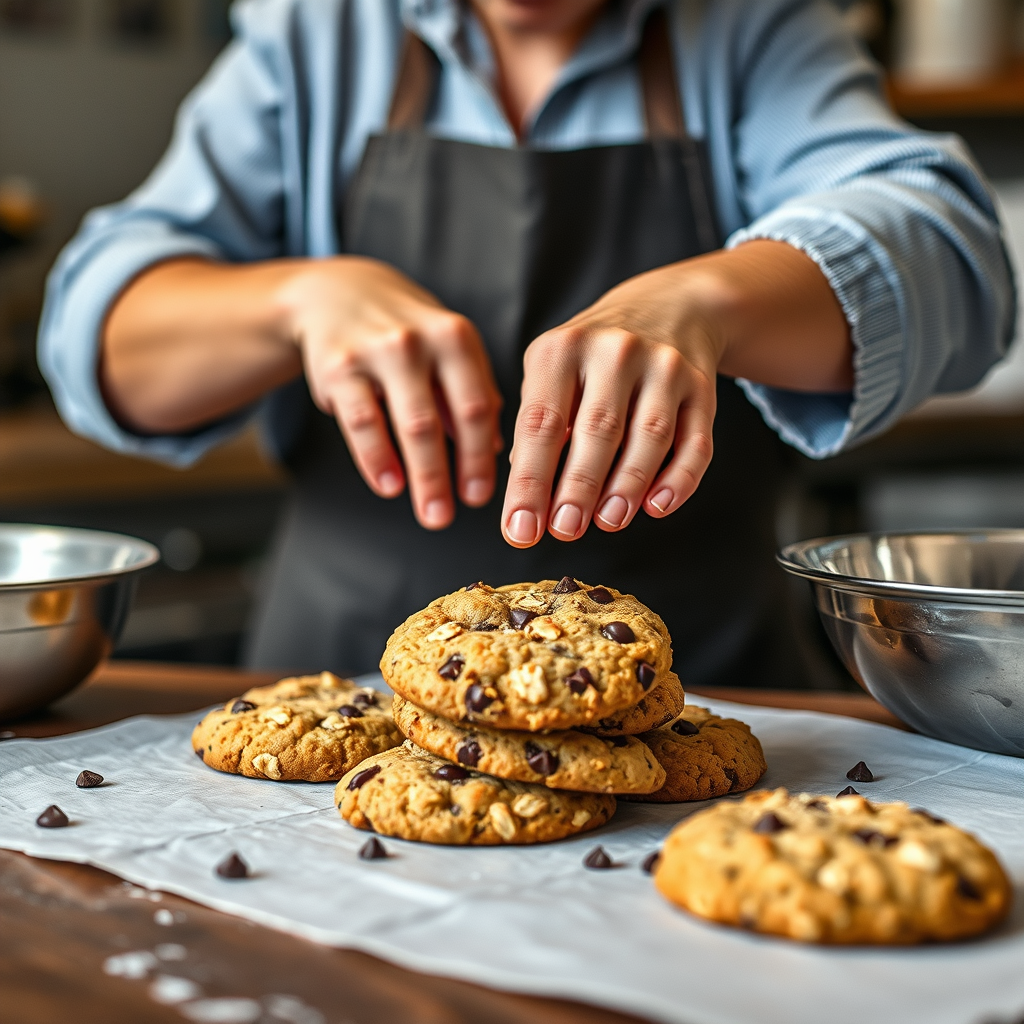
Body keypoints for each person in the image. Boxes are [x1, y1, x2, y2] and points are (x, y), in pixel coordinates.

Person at [39, 0, 1014, 685]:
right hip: (334, 668)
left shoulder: (754, 29)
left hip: (705, 680)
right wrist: (297, 298)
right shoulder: (312, 34)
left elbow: (956, 260)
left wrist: (715, 297)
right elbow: (100, 333)